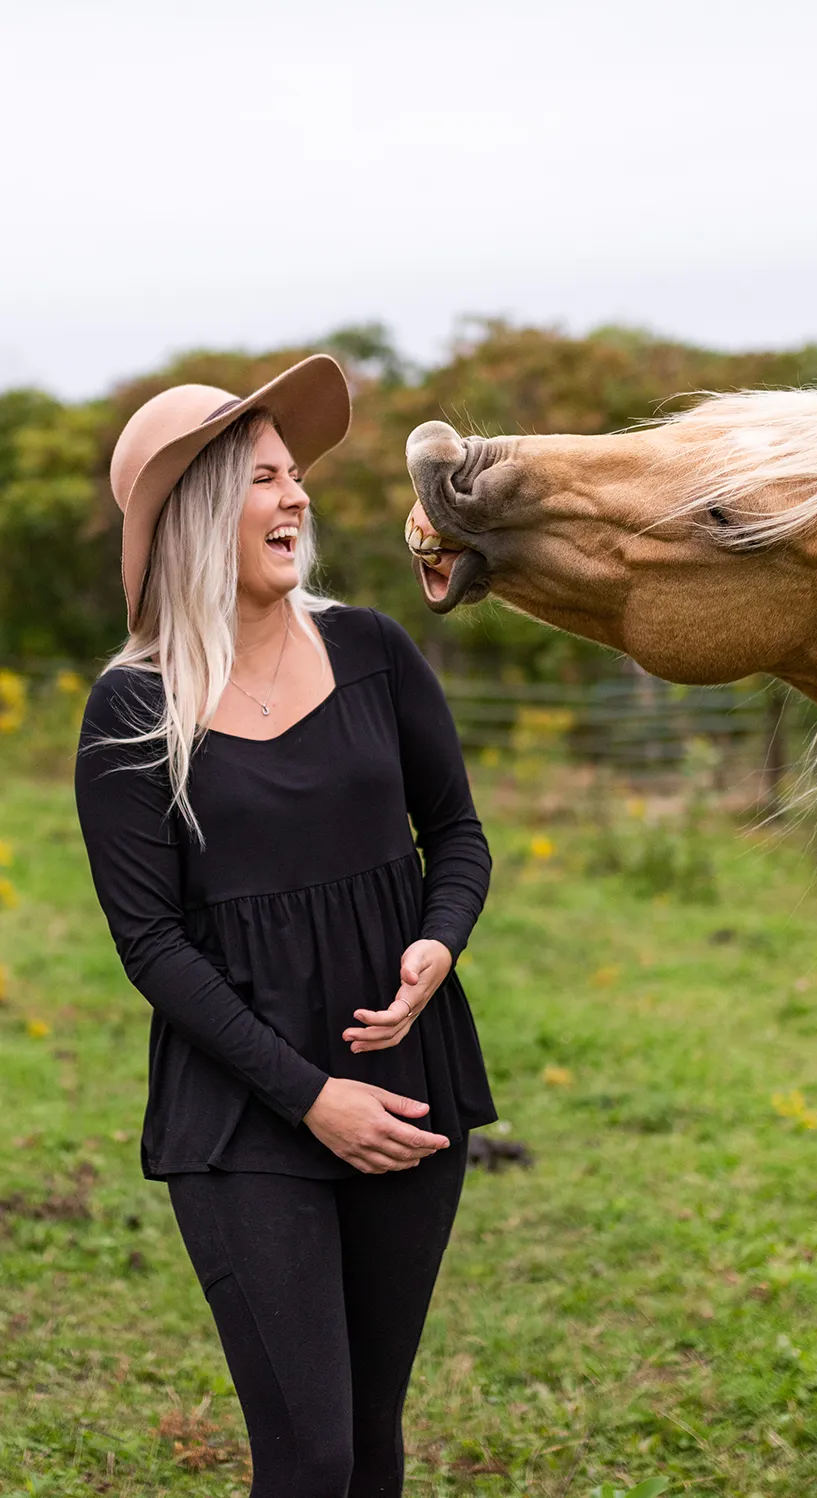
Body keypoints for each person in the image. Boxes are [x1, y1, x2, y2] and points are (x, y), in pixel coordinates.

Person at [73, 354, 497, 1498]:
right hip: (246, 1116)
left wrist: (438, 940)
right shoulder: (132, 709)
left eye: (296, 474)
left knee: (368, 1439)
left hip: (407, 1087)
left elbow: (455, 833)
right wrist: (312, 1098)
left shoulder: (371, 652)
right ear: (205, 510)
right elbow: (151, 943)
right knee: (307, 1459)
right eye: (266, 478)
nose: (298, 496)